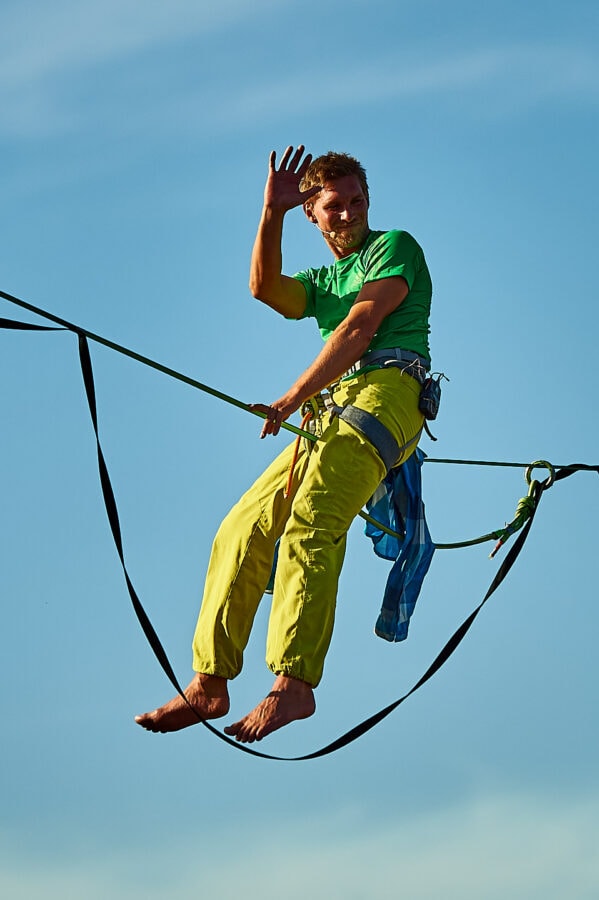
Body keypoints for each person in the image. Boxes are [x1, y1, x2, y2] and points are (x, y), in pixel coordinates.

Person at [135, 145, 433, 743]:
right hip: (333, 408)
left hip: (389, 392)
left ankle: (295, 686)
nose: (348, 214)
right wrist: (270, 213)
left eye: (356, 202)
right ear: (312, 216)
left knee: (312, 523)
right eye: (334, 206)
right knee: (240, 528)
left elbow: (358, 326)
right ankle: (209, 683)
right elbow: (266, 288)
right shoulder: (324, 281)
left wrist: (293, 395)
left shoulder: (394, 247)